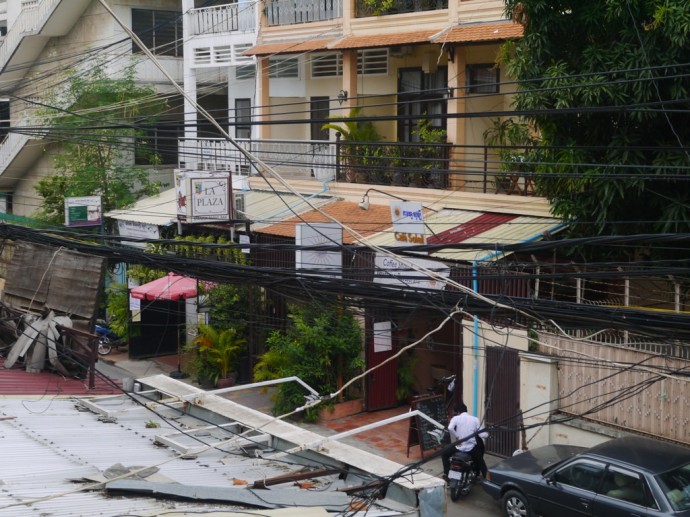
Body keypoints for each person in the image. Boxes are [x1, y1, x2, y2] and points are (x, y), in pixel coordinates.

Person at [442, 402, 488, 480]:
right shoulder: (475, 419)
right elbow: (483, 435)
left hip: (459, 447)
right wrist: (488, 434)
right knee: (481, 462)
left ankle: (447, 474)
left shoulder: (455, 418)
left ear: (458, 412)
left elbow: (450, 428)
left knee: (444, 453)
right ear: (466, 410)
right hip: (471, 448)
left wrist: (457, 437)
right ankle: (487, 479)